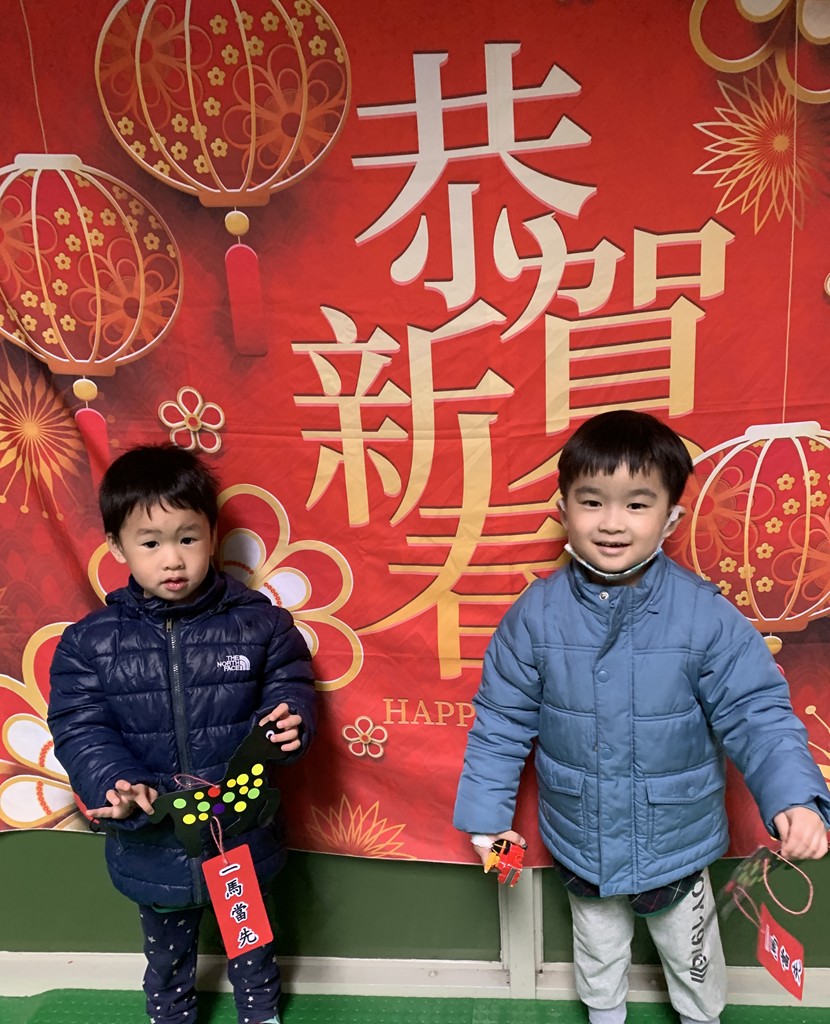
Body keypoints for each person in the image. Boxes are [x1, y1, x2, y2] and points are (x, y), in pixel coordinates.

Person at [454, 409, 830, 1024]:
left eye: (636, 504)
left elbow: (757, 712)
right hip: (580, 835)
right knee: (597, 950)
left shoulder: (705, 616)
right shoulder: (534, 616)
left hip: (676, 838)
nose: (611, 523)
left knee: (691, 954)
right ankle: (604, 1016)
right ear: (564, 509)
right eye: (592, 502)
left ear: (671, 518)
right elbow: (500, 724)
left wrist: (794, 797)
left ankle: (700, 1018)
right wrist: (485, 820)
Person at [48, 444, 316, 1024]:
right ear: (117, 547)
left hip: (236, 830)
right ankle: (170, 1013)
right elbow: (79, 726)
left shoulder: (263, 625)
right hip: (154, 836)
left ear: (213, 536)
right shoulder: (89, 643)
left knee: (250, 940)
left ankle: (261, 1012)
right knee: (166, 954)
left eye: (188, 538)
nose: (173, 559)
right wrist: (116, 781)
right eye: (151, 543)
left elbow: (290, 684)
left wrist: (292, 718)